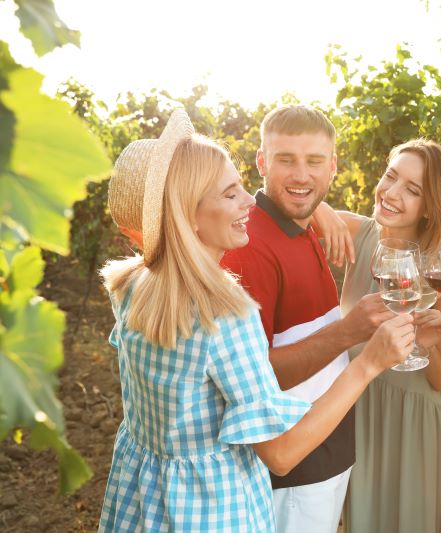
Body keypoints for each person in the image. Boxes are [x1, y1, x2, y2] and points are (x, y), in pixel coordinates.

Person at [98, 109, 414, 532]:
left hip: (145, 501)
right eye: (231, 194)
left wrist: (319, 212)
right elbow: (280, 454)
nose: (250, 200)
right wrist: (369, 362)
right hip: (213, 510)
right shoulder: (226, 314)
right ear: (188, 214)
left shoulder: (133, 283)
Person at [220, 105, 441, 533]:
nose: (301, 175)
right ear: (261, 162)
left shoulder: (303, 224)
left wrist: (316, 212)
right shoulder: (249, 247)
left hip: (329, 452)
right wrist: (349, 334)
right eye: (286, 159)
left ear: (333, 166)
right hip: (294, 472)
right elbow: (254, 376)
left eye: (314, 161)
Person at [312, 138, 441, 533]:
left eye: (412, 190)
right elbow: (287, 204)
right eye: (391, 176)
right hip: (360, 411)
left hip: (413, 424)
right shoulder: (361, 235)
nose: (391, 192)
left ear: (431, 205)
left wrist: (427, 348)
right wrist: (322, 209)